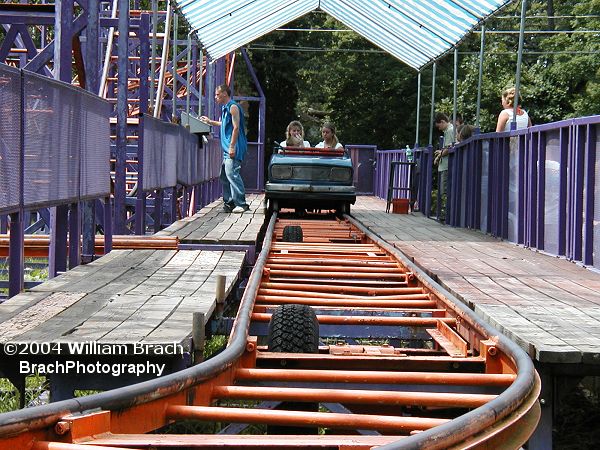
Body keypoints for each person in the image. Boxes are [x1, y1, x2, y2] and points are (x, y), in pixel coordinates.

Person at [200, 84, 249, 213]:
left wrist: (232, 146)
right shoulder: (225, 108)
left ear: (224, 94)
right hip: (228, 147)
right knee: (224, 175)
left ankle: (241, 203)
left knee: (232, 174)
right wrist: (210, 122)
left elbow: (236, 128)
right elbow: (224, 124)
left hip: (234, 146)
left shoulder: (233, 107)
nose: (215, 97)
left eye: (217, 94)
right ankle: (229, 202)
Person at [433, 112, 454, 221]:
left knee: (444, 191)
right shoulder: (448, 130)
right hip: (444, 165)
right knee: (443, 190)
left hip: (446, 166)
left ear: (442, 121)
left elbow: (450, 148)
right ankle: (444, 214)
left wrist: (439, 156)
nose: (439, 129)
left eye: (439, 126)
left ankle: (445, 215)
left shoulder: (450, 130)